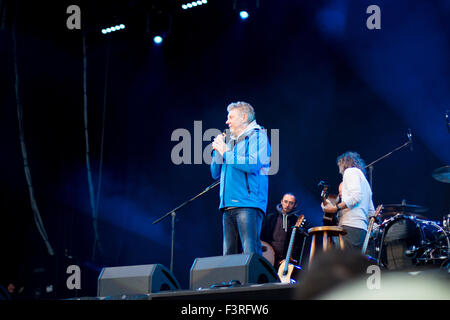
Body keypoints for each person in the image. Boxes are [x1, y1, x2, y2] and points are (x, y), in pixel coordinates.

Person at [211, 101, 271, 256]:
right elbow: (214, 173)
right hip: (227, 205)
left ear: (244, 117)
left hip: (248, 204)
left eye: (231, 117)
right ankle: (232, 281)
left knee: (250, 254)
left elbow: (252, 164)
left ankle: (252, 281)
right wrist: (218, 151)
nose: (227, 121)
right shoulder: (230, 142)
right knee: (229, 257)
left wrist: (225, 152)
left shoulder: (258, 137)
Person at [321, 151, 375, 250]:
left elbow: (355, 197)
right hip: (361, 230)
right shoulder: (365, 183)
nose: (339, 171)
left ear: (343, 163)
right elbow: (371, 212)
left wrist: (335, 208)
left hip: (350, 226)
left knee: (342, 263)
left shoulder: (350, 171)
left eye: (339, 166)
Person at [261, 193, 306, 268]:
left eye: (291, 203)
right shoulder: (270, 218)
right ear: (281, 201)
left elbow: (298, 244)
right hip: (268, 256)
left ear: (295, 205)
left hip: (284, 261)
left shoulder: (297, 221)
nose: (287, 205)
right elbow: (261, 238)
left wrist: (288, 258)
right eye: (285, 201)